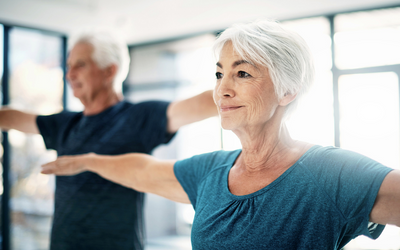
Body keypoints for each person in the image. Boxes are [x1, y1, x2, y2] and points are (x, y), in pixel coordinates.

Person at [41, 20, 400, 249]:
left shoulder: (330, 173)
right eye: (219, 74)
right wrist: (88, 160)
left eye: (242, 74)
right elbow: (144, 170)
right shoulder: (211, 172)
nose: (222, 90)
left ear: (287, 91)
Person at [0, 30, 217, 250]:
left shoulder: (137, 118)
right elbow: (7, 117)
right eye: (68, 66)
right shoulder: (65, 124)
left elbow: (202, 104)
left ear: (109, 71)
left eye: (80, 65)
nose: (70, 74)